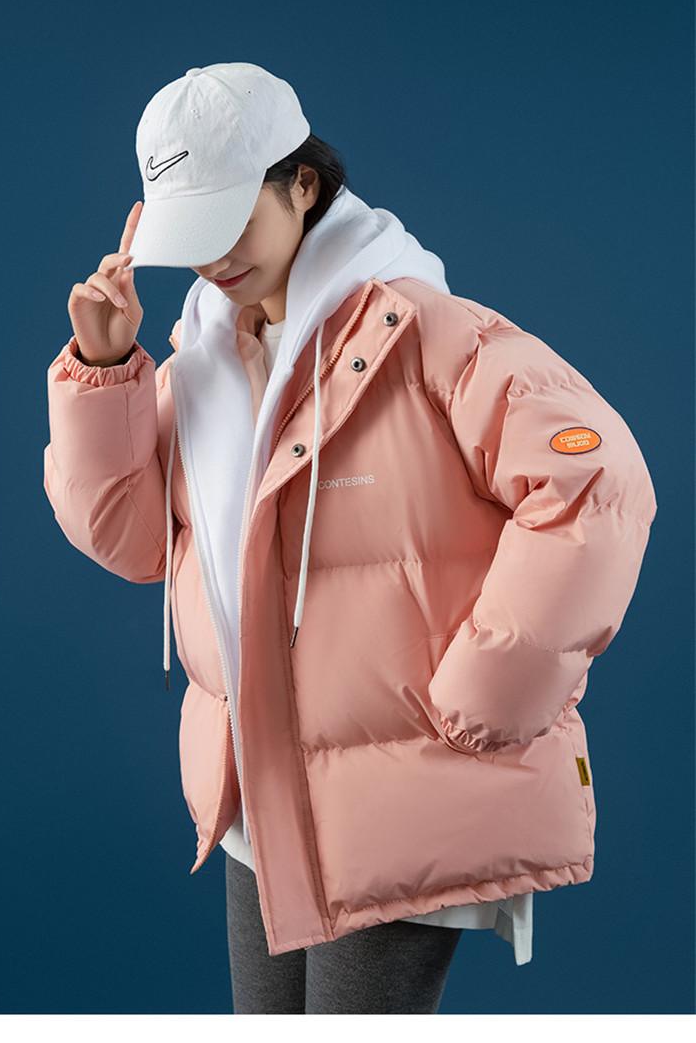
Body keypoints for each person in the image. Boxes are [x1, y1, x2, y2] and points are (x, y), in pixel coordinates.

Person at [43, 63, 658, 1014]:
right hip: (259, 798)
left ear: (302, 185)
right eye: (192, 236)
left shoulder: (431, 337)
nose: (215, 261)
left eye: (230, 222)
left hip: (395, 798)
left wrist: (488, 694)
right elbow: (127, 540)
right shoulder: (202, 364)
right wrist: (106, 363)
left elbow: (597, 483)